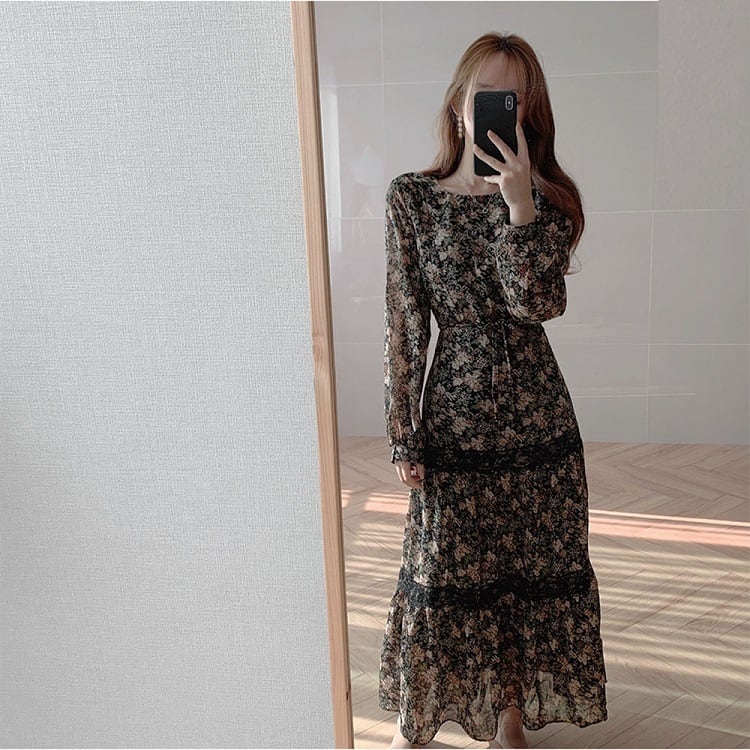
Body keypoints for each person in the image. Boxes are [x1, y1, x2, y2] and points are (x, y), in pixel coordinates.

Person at [378, 32, 609, 749]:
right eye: (487, 96)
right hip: (454, 414)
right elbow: (404, 322)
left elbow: (536, 304)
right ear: (459, 105)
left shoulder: (549, 201)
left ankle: (510, 718)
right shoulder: (413, 199)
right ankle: (418, 720)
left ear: (529, 111)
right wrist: (402, 431)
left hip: (537, 418)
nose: (500, 110)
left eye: (515, 98)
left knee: (529, 572)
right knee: (442, 566)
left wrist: (519, 208)